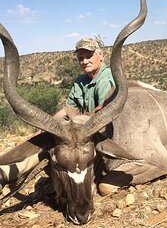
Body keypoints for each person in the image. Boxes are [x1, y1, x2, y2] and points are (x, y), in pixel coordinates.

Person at [0, 38, 115, 191]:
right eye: (81, 58)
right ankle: (6, 173)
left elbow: (103, 111)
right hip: (77, 134)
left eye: (89, 56)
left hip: (96, 134)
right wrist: (46, 126)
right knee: (45, 141)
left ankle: (9, 173)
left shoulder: (106, 78)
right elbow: (68, 109)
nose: (85, 61)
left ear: (100, 55)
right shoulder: (81, 80)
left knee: (55, 150)